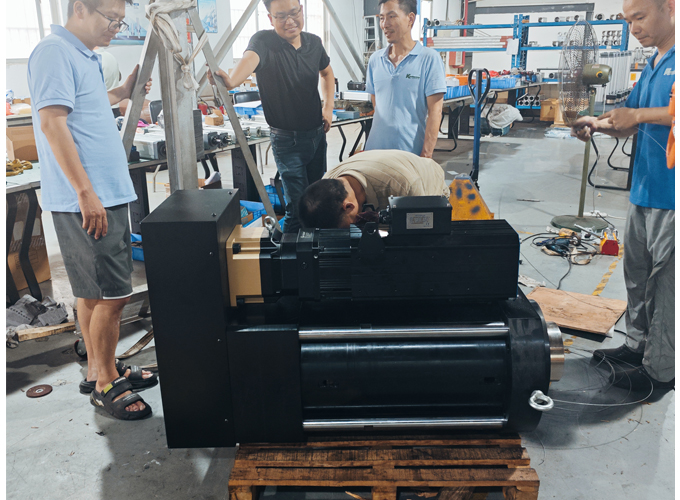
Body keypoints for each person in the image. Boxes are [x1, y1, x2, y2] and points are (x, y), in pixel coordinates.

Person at [28, 0, 157, 420]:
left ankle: (99, 368)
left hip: (104, 193)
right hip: (89, 199)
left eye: (121, 21)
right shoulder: (54, 51)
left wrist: (124, 90)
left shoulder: (85, 56)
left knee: (92, 291)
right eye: (111, 19)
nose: (116, 27)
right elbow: (52, 123)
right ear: (81, 8)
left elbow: (88, 105)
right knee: (114, 296)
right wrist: (85, 192)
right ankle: (106, 385)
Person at [571, 0, 675, 391]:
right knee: (637, 275)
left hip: (672, 194)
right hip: (644, 189)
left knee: (665, 286)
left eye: (640, 17)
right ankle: (637, 346)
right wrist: (597, 124)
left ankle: (659, 371)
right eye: (629, 21)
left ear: (668, 8)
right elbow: (630, 120)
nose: (634, 28)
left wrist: (638, 116)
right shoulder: (653, 63)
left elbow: (652, 114)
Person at [208, 0, 335, 234]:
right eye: (281, 16)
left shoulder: (314, 43)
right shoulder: (264, 41)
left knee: (317, 203)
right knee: (297, 210)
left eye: (294, 13)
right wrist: (232, 81)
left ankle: (312, 249)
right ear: (270, 18)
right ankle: (286, 252)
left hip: (317, 136)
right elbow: (250, 59)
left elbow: (327, 73)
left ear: (302, 10)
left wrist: (328, 107)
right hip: (287, 141)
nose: (290, 21)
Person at [364, 0, 446, 158]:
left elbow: (435, 112)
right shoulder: (375, 60)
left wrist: (426, 155)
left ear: (410, 18)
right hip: (374, 153)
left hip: (410, 154)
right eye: (382, 18)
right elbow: (377, 104)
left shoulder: (429, 59)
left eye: (392, 16)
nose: (385, 24)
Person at [298, 149, 451, 229]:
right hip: (384, 166)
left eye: (342, 230)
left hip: (428, 179)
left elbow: (419, 237)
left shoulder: (405, 189)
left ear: (349, 206)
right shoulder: (328, 182)